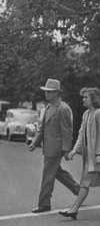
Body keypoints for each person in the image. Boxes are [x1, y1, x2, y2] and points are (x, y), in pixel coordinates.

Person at [60, 88, 100, 220]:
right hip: (89, 155)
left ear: (94, 99)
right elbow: (82, 134)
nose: (83, 100)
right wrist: (75, 149)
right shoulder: (86, 114)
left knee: (85, 182)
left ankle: (74, 209)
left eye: (86, 97)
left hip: (97, 156)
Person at [29, 78, 80, 213]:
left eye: (50, 92)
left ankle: (44, 204)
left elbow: (67, 131)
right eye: (46, 91)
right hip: (48, 148)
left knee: (47, 175)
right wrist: (34, 142)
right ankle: (79, 191)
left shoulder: (63, 109)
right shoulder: (48, 107)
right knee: (57, 172)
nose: (46, 94)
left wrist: (66, 150)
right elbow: (41, 128)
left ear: (57, 93)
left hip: (55, 149)